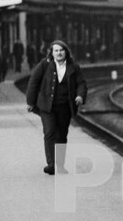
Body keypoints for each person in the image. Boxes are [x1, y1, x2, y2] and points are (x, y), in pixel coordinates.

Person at [26, 40, 88, 175]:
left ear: (66, 52)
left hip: (65, 107)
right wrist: (31, 102)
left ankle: (60, 165)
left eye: (61, 50)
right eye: (56, 50)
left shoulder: (74, 67)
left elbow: (81, 83)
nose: (59, 53)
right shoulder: (44, 65)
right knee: (49, 132)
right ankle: (51, 164)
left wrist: (80, 96)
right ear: (51, 52)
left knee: (61, 135)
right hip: (47, 107)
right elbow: (33, 82)